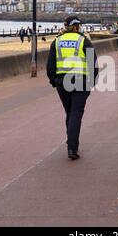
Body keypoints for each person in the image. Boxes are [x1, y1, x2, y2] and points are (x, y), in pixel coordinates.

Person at [46, 16, 98, 160]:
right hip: (81, 81)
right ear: (77, 27)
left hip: (62, 82)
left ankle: (71, 144)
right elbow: (92, 63)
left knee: (69, 112)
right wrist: (92, 81)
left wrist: (53, 80)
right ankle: (72, 148)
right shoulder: (83, 41)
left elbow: (50, 65)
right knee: (75, 113)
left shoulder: (57, 41)